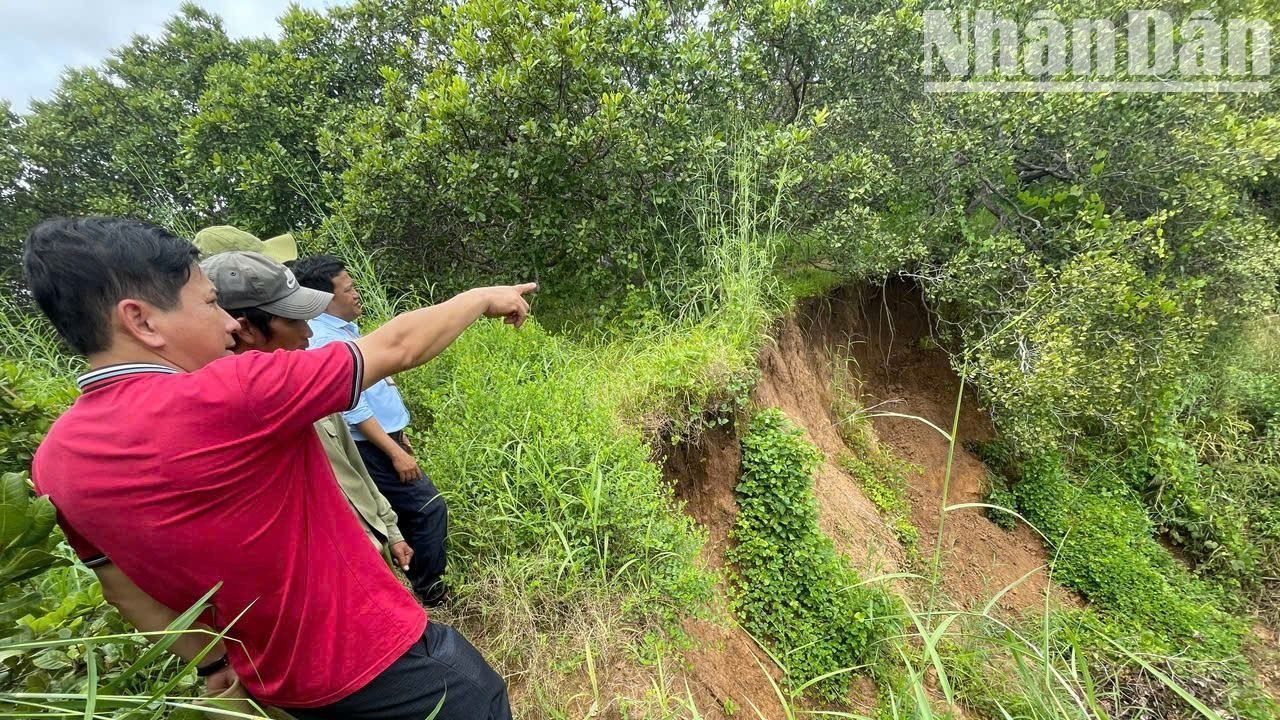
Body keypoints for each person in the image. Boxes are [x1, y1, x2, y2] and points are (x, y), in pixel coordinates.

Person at [25, 216, 532, 719]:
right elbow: (396, 347)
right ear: (140, 320)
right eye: (207, 302)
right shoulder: (228, 393)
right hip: (380, 659)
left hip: (276, 685)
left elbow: (121, 588)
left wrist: (213, 665)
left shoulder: (53, 462)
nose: (228, 322)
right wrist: (481, 298)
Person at [202, 250, 413, 565]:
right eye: (292, 320)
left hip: (371, 552)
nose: (309, 333)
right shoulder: (226, 421)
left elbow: (353, 468)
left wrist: (390, 530)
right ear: (244, 329)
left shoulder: (308, 387)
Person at [292, 255, 451, 606]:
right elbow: (352, 406)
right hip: (368, 445)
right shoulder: (323, 339)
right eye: (348, 290)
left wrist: (398, 433)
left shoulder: (343, 329)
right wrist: (393, 451)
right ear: (323, 299)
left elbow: (374, 392)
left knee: (401, 511)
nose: (356, 294)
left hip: (382, 437)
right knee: (428, 507)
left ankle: (412, 580)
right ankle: (430, 590)